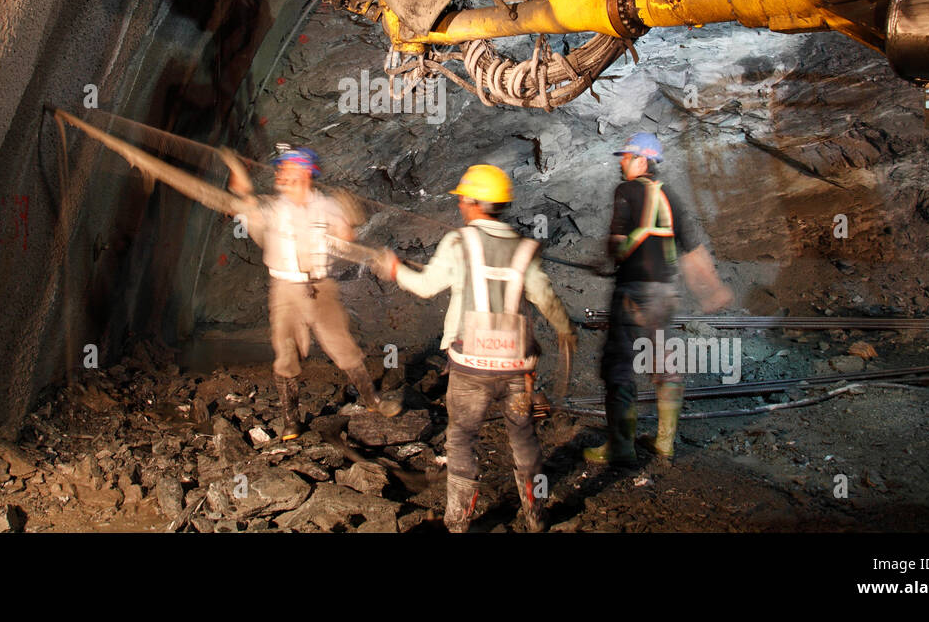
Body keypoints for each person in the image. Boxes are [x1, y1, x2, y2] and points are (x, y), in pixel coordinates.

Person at [377, 164, 576, 533]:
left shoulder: (458, 242)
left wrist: (395, 270)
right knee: (523, 437)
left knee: (461, 437)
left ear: (471, 201)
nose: (460, 207)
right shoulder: (524, 248)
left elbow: (425, 287)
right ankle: (536, 514)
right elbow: (545, 298)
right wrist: (566, 331)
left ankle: (458, 521)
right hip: (516, 370)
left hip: (470, 367)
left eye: (462, 200)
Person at [229, 147, 401, 440]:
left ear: (305, 172)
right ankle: (291, 421)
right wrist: (242, 194)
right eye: (280, 169)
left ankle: (372, 401)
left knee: (342, 346)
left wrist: (349, 231)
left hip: (321, 288)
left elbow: (345, 244)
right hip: (284, 289)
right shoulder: (272, 207)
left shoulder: (328, 207)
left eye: (286, 168)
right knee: (286, 350)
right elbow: (248, 216)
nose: (280, 174)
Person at [584, 132, 731, 468]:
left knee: (620, 366)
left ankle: (621, 447)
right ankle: (665, 442)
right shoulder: (670, 197)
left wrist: (605, 259)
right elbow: (691, 247)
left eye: (625, 157)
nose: (621, 163)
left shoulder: (626, 191)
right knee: (665, 365)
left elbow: (617, 242)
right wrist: (713, 290)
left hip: (634, 291)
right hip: (665, 293)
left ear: (641, 160)